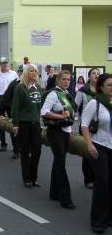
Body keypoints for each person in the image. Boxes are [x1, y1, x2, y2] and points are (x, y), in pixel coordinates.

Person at [41, 70, 77, 209]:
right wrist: (61, 117)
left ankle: (54, 193)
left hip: (65, 131)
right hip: (55, 132)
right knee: (61, 163)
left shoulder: (67, 94)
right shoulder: (53, 94)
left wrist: (69, 128)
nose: (66, 82)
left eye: (68, 80)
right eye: (64, 79)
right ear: (58, 80)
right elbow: (44, 112)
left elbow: (71, 113)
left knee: (59, 162)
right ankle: (65, 198)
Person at [81, 73, 112, 234]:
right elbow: (84, 125)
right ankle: (98, 221)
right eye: (109, 85)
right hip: (99, 146)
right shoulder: (95, 103)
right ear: (101, 87)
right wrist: (89, 145)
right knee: (102, 182)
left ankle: (109, 217)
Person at [11, 65, 42, 187]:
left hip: (35, 123)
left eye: (35, 71)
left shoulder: (38, 88)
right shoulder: (20, 87)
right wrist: (15, 124)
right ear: (26, 73)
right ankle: (27, 178)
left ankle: (34, 177)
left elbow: (40, 107)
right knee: (25, 151)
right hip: (24, 123)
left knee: (37, 151)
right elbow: (15, 107)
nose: (34, 73)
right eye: (31, 71)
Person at [75, 68, 100, 188]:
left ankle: (97, 177)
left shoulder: (102, 91)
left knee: (99, 151)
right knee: (88, 152)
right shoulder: (83, 90)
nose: (96, 75)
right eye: (94, 73)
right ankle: (88, 178)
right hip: (86, 125)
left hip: (99, 125)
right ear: (89, 77)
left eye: (98, 74)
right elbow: (75, 105)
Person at [0, 64, 23, 159]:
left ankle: (24, 149)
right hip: (13, 109)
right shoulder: (15, 83)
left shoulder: (32, 83)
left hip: (25, 112)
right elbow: (6, 96)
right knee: (14, 129)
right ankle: (16, 150)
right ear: (19, 73)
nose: (22, 73)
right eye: (21, 71)